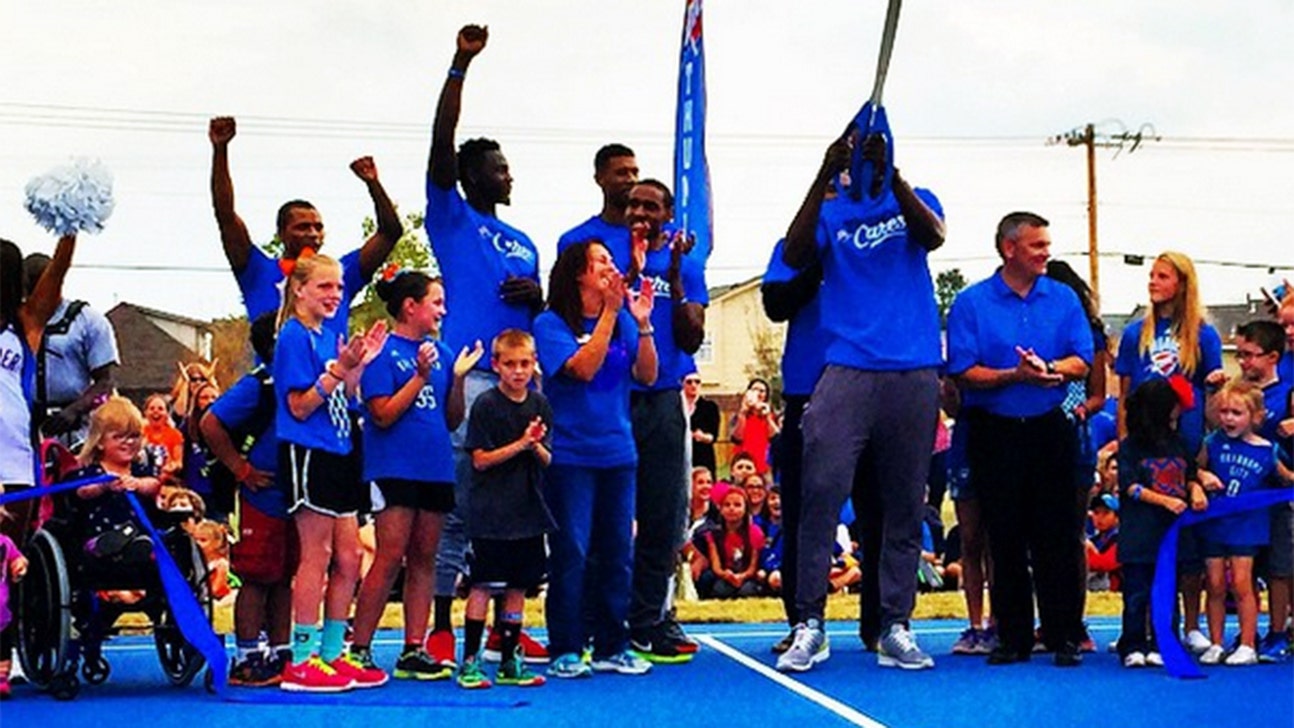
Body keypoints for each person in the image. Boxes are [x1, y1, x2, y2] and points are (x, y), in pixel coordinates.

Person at [778, 126, 946, 673]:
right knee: (819, 495)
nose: (864, 156)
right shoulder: (831, 212)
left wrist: (893, 178)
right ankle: (810, 623)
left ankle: (895, 624)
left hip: (913, 368)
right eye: (854, 150)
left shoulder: (915, 199)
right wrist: (823, 174)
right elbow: (796, 251)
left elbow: (934, 235)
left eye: (874, 146)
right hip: (846, 366)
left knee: (904, 504)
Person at [424, 24, 545, 669]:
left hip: (521, 380)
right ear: (471, 176)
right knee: (462, 504)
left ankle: (507, 628)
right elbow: (440, 147)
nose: (508, 174)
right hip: (470, 378)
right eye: (498, 167)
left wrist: (539, 296)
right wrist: (459, 65)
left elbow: (537, 314)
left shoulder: (524, 240)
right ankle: (444, 624)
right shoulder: (452, 218)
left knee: (515, 503)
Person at [947, 212, 1095, 668]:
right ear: (1009, 248)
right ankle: (1012, 638)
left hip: (1050, 427)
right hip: (994, 430)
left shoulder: (1063, 298)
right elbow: (963, 370)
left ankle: (1063, 634)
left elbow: (1083, 359)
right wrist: (1015, 375)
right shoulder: (971, 303)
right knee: (1004, 536)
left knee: (1057, 534)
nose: (1046, 253)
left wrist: (1049, 369)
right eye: (1037, 245)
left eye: (1047, 244)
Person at [347, 270, 481, 684]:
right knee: (390, 556)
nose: (443, 310)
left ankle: (413, 649)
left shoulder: (442, 353)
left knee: (425, 558)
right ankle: (359, 648)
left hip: (434, 468)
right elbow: (382, 414)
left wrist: (457, 379)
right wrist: (420, 377)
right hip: (393, 468)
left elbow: (451, 419)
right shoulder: (383, 353)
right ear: (410, 306)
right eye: (435, 302)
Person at [533, 241, 656, 679]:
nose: (610, 267)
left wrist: (642, 325)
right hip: (571, 455)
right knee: (572, 551)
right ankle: (566, 646)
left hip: (618, 452)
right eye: (601, 261)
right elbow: (581, 369)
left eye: (610, 260)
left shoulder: (622, 319)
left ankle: (612, 645)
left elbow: (647, 374)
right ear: (578, 273)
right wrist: (608, 313)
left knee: (618, 551)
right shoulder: (550, 324)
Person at [273, 253, 388, 693]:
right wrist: (339, 370)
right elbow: (299, 406)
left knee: (350, 556)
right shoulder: (293, 336)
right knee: (316, 555)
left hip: (341, 450)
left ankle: (332, 653)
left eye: (339, 287)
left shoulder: (328, 335)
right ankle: (302, 659)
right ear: (300, 289)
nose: (335, 294)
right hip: (309, 451)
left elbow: (345, 396)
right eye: (325, 286)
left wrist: (358, 366)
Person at [1114, 251, 1225, 654]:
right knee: (1144, 542)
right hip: (1144, 444)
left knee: (1186, 544)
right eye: (1152, 275)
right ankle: (1137, 630)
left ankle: (1188, 625)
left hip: (1185, 444)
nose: (1153, 282)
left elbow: (1212, 400)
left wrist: (1204, 456)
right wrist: (1122, 444)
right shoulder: (1135, 334)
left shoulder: (1204, 335)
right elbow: (1124, 395)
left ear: (1181, 283)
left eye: (1162, 276)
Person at [208, 116, 402, 339]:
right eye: (302, 227)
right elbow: (225, 216)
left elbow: (390, 233)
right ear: (281, 233)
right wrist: (220, 150)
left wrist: (373, 183)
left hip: (333, 363)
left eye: (318, 228)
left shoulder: (340, 272)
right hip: (276, 363)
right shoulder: (257, 270)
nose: (313, 234)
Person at [458, 329, 555, 689]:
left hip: (527, 512)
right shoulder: (486, 404)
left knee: (518, 588)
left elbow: (548, 459)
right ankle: (470, 661)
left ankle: (510, 660)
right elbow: (480, 460)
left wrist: (535, 445)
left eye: (525, 364)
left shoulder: (540, 404)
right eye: (511, 364)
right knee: (483, 586)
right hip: (490, 513)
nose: (518, 371)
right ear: (496, 365)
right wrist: (521, 443)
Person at [200, 313, 294, 688]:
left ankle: (281, 651)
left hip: (292, 491)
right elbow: (210, 423)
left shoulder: (300, 379)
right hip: (259, 494)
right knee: (256, 576)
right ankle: (247, 656)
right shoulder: (260, 384)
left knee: (284, 576)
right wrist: (240, 468)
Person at [1196, 380, 1292, 665]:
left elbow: (1286, 478)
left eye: (1237, 413)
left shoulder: (1267, 450)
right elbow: (1195, 469)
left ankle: (1248, 643)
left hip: (1247, 526)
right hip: (1215, 522)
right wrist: (1201, 478)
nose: (1229, 418)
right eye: (1224, 412)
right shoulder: (1212, 443)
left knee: (1241, 583)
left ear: (1256, 416)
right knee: (1214, 584)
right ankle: (1216, 642)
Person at [1115, 377, 1200, 668]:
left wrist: (1195, 490)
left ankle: (1163, 641)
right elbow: (1129, 486)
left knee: (1168, 592)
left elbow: (1190, 474)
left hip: (1171, 534)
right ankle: (1133, 643)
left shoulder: (1179, 443)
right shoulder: (1130, 447)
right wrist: (1164, 500)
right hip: (1140, 533)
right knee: (1136, 594)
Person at [1235, 318, 1294, 661]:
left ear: (1272, 357)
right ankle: (1248, 632)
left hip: (1279, 494)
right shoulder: (1238, 392)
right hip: (1244, 496)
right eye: (1240, 354)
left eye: (1250, 354)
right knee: (1245, 567)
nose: (1243, 362)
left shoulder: (1287, 393)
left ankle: (1278, 630)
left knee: (1280, 567)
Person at [21, 252, 118, 448]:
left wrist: (74, 411)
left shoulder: (88, 321)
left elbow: (105, 382)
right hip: (22, 428)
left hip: (75, 431)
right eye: (29, 288)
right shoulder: (12, 323)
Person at [696, 486, 765, 600]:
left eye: (737, 505)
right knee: (720, 590)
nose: (732, 509)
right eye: (727, 505)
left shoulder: (755, 532)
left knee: (746, 591)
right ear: (721, 509)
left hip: (748, 576)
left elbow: (753, 567)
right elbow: (716, 566)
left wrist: (741, 576)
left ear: (745, 509)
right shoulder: (713, 534)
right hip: (726, 575)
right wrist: (725, 574)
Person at [730, 378, 780, 476]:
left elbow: (775, 438)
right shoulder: (739, 415)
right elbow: (737, 439)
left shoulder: (771, 416)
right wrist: (743, 414)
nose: (758, 393)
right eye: (754, 389)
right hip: (743, 464)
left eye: (762, 391)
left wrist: (767, 417)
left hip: (764, 465)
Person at [0, 526, 26, 700]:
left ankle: (2, 678)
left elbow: (18, 559)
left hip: (1, 608)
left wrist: (19, 567)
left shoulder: (5, 543)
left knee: (2, 644)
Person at [141, 393, 183, 478]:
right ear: (145, 413)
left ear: (167, 414)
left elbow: (179, 463)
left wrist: (172, 466)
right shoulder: (140, 432)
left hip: (166, 479)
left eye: (160, 409)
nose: (156, 411)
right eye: (151, 408)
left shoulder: (175, 434)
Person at [683, 374, 719, 474]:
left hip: (703, 455)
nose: (693, 385)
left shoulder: (709, 407)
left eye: (697, 382)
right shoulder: (677, 407)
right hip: (682, 455)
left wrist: (702, 436)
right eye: (689, 382)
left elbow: (713, 436)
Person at [1085, 494, 1121, 592]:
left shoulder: (1122, 540)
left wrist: (1089, 550)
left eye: (1106, 513)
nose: (1099, 518)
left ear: (1117, 517)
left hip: (1115, 594)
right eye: (1096, 513)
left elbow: (1103, 565)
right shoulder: (1094, 539)